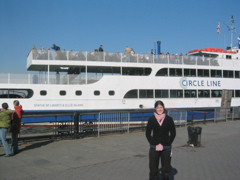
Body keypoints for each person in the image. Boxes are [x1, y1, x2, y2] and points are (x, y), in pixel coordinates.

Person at [146, 100, 176, 180]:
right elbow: (147, 133)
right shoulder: (151, 119)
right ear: (155, 108)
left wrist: (168, 142)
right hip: (154, 147)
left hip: (166, 148)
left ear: (164, 108)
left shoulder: (169, 119)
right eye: (158, 107)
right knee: (153, 169)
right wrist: (152, 142)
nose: (160, 109)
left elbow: (173, 133)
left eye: (161, 107)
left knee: (166, 170)